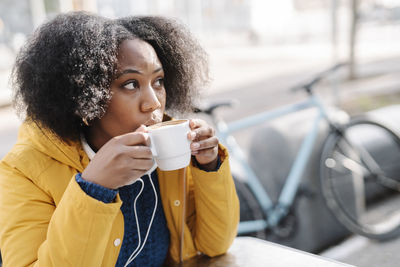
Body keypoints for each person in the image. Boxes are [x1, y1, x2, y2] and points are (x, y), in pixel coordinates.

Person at [0, 11, 239, 266]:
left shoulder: (172, 153)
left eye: (158, 81)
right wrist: (94, 188)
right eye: (130, 84)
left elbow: (215, 245)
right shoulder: (23, 169)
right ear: (83, 95)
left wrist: (209, 166)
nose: (154, 103)